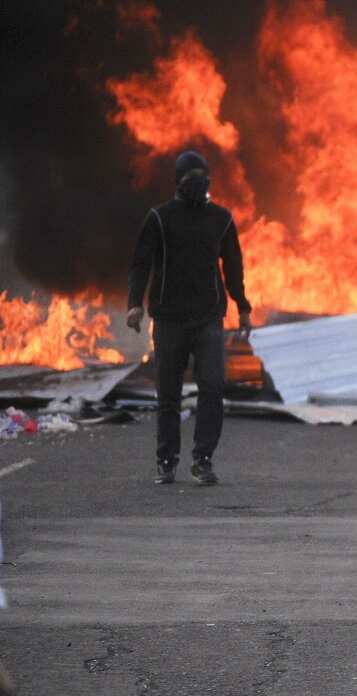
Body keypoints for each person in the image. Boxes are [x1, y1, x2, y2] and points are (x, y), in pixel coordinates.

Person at [127, 150, 252, 486]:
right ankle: (166, 461)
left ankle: (203, 460)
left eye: (202, 175)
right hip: (168, 319)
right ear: (178, 181)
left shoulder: (221, 219)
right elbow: (141, 262)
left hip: (209, 318)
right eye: (190, 176)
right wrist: (134, 304)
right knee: (168, 393)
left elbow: (234, 268)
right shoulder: (159, 218)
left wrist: (242, 305)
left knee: (212, 388)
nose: (197, 182)